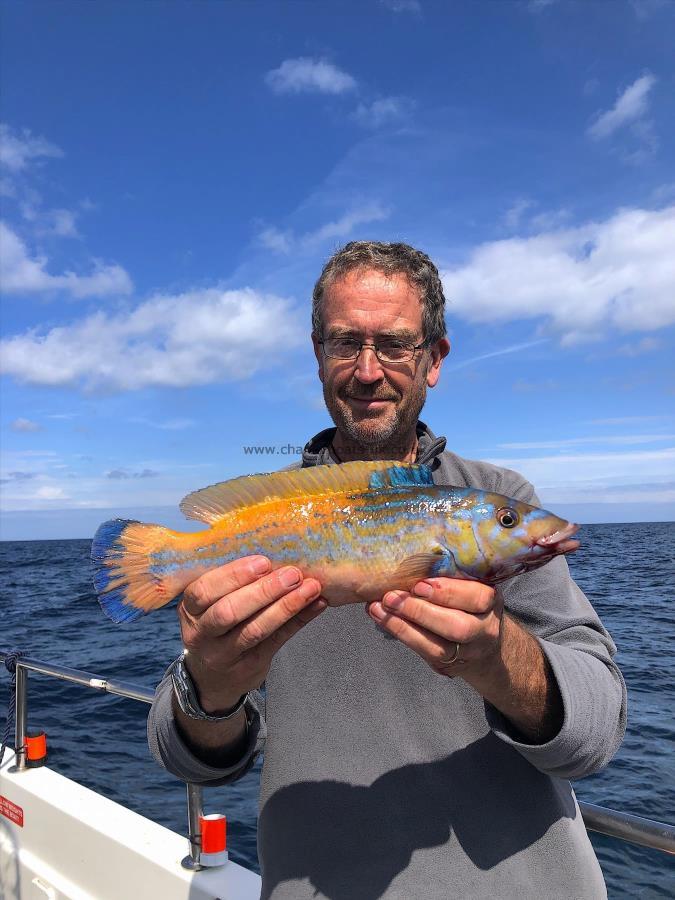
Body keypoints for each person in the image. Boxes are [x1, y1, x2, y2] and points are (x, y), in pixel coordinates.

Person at [148, 241, 626, 900]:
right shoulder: (262, 521)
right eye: (345, 343)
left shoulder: (497, 494)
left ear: (434, 359)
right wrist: (210, 688)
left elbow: (596, 735)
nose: (367, 371)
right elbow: (183, 755)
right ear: (316, 353)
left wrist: (497, 658)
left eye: (395, 345)